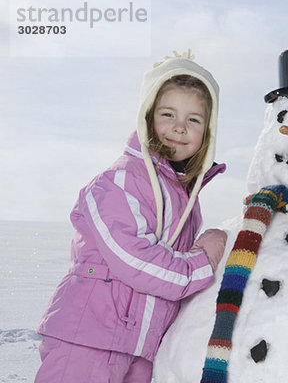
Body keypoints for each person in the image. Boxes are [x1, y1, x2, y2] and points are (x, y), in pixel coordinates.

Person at [35, 51, 227, 383]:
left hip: (142, 349)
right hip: (90, 338)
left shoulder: (187, 200)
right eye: (168, 114)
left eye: (194, 119)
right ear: (147, 116)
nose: (179, 127)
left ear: (207, 134)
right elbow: (136, 261)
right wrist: (202, 261)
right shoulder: (119, 182)